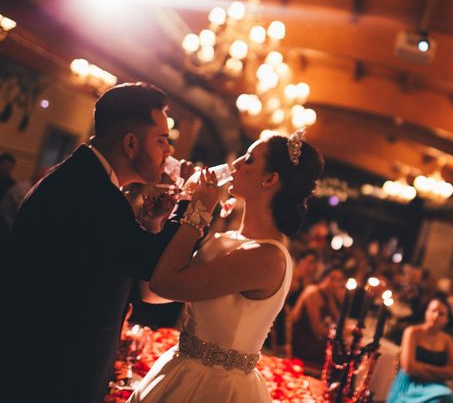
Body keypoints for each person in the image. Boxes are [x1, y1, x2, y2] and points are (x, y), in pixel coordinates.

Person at [1, 83, 187, 403]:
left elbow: (114, 253)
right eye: (161, 140)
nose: (169, 152)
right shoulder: (92, 192)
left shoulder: (84, 179)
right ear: (131, 143)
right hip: (51, 376)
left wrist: (151, 223)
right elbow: (155, 265)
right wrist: (198, 208)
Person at [128, 131, 324, 403]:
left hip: (216, 388)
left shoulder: (266, 257)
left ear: (270, 179)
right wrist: (154, 224)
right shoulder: (225, 240)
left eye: (249, 159)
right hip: (178, 369)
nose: (236, 164)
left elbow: (165, 283)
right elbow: (153, 292)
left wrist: (197, 212)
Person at [387, 298, 453, 403]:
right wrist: (441, 372)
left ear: (446, 319)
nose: (435, 316)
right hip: (410, 384)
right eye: (433, 311)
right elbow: (408, 367)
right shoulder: (412, 332)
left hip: (435, 385)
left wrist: (420, 367)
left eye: (441, 314)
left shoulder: (447, 340)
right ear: (426, 312)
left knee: (446, 397)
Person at [290, 264, 344, 367]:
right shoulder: (313, 293)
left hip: (318, 341)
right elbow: (317, 330)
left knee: (344, 352)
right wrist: (339, 333)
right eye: (332, 279)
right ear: (324, 278)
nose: (335, 284)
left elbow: (339, 322)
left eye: (339, 280)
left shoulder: (329, 297)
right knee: (340, 356)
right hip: (304, 342)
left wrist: (341, 302)